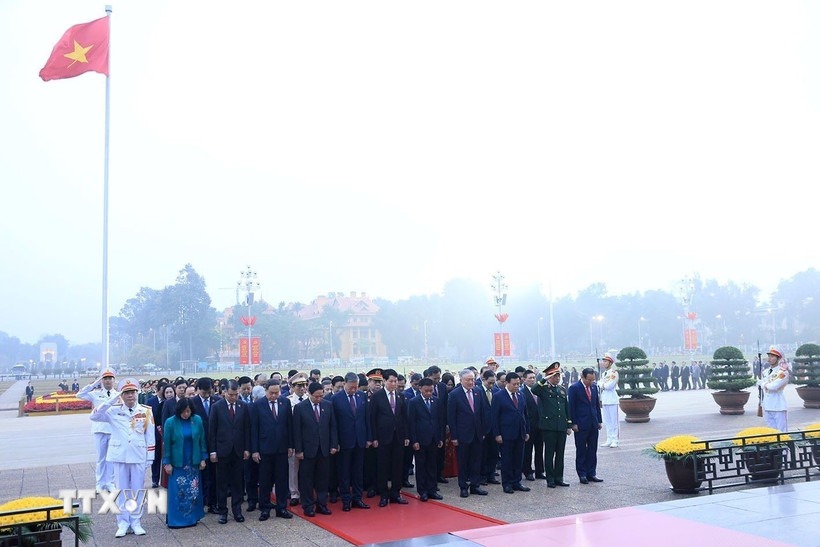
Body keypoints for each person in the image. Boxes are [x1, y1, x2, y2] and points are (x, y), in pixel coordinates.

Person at [90, 378, 156, 537]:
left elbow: (150, 435)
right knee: (121, 490)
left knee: (137, 490)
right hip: (120, 455)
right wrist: (111, 400)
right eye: (126, 393)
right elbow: (94, 416)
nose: (130, 395)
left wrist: (150, 457)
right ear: (121, 395)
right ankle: (123, 523)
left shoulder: (145, 410)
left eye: (132, 392)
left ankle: (136, 522)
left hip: (138, 455)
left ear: (137, 393)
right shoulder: (113, 410)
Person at [250, 380, 294, 521]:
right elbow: (254, 429)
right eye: (271, 393)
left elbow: (289, 425)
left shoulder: (285, 402)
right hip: (265, 449)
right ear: (266, 390)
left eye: (277, 392)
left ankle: (282, 508)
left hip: (282, 448)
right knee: (265, 481)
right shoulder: (258, 405)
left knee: (282, 480)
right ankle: (265, 508)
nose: (274, 395)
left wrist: (290, 445)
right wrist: (255, 450)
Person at [208, 380, 250, 524]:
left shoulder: (243, 406)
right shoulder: (217, 407)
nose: (234, 397)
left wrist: (247, 448)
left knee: (238, 482)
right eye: (231, 395)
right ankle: (222, 511)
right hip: (222, 450)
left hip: (238, 450)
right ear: (225, 392)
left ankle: (237, 511)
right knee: (222, 482)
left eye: (236, 394)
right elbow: (212, 430)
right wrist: (213, 451)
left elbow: (246, 429)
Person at [293, 382, 338, 516]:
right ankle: (308, 506)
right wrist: (298, 450)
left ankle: (322, 504)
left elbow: (332, 426)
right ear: (309, 394)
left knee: (323, 478)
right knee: (307, 479)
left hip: (324, 448)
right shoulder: (300, 408)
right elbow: (297, 431)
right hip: (307, 450)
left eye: (321, 396)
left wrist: (334, 445)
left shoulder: (328, 405)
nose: (319, 399)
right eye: (316, 396)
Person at [162, 397, 207, 529]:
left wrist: (203, 458)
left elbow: (202, 440)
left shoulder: (197, 420)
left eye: (188, 411)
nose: (186, 414)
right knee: (178, 491)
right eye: (183, 411)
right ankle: (176, 519)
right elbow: (167, 444)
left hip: (193, 461)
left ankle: (192, 517)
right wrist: (167, 462)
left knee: (193, 490)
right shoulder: (170, 422)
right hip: (177, 462)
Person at [369, 368, 410, 507]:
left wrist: (406, 435)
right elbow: (372, 418)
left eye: (395, 381)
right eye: (391, 381)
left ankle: (396, 493)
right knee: (383, 466)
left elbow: (404, 417)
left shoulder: (400, 396)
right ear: (385, 381)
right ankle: (383, 495)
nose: (393, 384)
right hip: (383, 437)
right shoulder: (377, 396)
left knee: (397, 465)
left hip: (398, 436)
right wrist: (374, 437)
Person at [447, 369, 490, 498]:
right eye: (468, 380)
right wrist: (454, 436)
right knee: (463, 462)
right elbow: (451, 417)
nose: (471, 382)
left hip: (477, 433)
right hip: (462, 434)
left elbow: (482, 412)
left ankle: (475, 485)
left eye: (472, 379)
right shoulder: (454, 394)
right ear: (461, 380)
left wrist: (483, 431)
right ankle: (463, 486)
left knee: (476, 460)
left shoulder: (478, 391)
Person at [332, 372, 371, 511]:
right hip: (344, 441)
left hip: (360, 440)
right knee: (344, 472)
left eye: (356, 387)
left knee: (358, 471)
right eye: (351, 387)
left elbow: (366, 418)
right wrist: (335, 442)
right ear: (345, 384)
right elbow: (334, 423)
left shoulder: (362, 396)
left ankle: (357, 498)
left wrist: (368, 437)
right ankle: (346, 499)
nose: (354, 390)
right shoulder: (336, 398)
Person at [77, 368, 118, 493]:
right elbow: (79, 395)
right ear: (101, 380)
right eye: (105, 379)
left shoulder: (118, 395)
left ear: (114, 380)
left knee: (111, 458)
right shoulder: (96, 393)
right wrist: (94, 384)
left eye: (110, 378)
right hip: (100, 428)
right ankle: (100, 483)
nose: (108, 381)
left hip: (113, 429)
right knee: (101, 458)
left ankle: (110, 482)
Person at [532, 362, 572, 488]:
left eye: (558, 376)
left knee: (560, 454)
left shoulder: (562, 389)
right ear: (549, 377)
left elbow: (566, 408)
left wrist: (568, 425)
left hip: (561, 426)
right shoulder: (543, 389)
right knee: (549, 454)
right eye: (554, 376)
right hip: (549, 426)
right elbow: (534, 389)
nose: (557, 378)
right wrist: (544, 379)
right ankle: (550, 479)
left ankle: (559, 477)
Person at [492, 372, 530, 494]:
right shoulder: (498, 396)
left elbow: (525, 414)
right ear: (507, 383)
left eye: (518, 384)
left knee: (518, 459)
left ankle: (517, 481)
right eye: (514, 384)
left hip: (520, 432)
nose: (517, 386)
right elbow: (495, 417)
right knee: (507, 460)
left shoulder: (520, 394)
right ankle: (507, 483)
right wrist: (497, 434)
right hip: (506, 433)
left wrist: (526, 431)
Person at [407, 378, 444, 501]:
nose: (429, 393)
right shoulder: (414, 402)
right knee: (421, 466)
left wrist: (440, 438)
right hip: (420, 439)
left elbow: (439, 420)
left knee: (432, 465)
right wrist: (414, 440)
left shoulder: (436, 401)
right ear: (420, 389)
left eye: (431, 391)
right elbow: (411, 422)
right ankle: (422, 491)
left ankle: (432, 489)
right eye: (426, 391)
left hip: (433, 438)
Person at [567, 368, 603, 484]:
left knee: (592, 449)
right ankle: (582, 474)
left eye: (593, 380)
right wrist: (573, 423)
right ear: (582, 377)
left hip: (593, 423)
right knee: (581, 450)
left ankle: (591, 473)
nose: (591, 382)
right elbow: (571, 407)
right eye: (589, 380)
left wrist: (599, 420)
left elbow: (596, 405)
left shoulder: (594, 387)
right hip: (581, 424)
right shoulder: (574, 388)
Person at [190, 377, 220, 514]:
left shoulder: (217, 401)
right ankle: (199, 503)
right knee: (200, 475)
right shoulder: (192, 403)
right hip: (198, 444)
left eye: (209, 392)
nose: (207, 395)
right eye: (204, 392)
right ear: (198, 390)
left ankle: (212, 503)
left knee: (214, 476)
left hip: (214, 444)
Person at [286, 372, 309, 507]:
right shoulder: (288, 401)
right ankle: (294, 493)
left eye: (304, 385)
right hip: (294, 439)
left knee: (307, 469)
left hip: (307, 439)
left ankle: (307, 492)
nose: (302, 388)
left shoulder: (309, 399)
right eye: (299, 386)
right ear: (292, 387)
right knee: (293, 468)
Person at [760, 346, 791, 432]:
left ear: (778, 358)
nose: (769, 358)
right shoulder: (765, 372)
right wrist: (765, 384)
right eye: (769, 356)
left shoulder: (783, 372)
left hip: (778, 404)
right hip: (767, 404)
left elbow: (774, 387)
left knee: (782, 431)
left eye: (772, 356)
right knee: (771, 431)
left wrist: (764, 384)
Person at [521, 370, 544, 480]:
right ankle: (527, 471)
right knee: (528, 450)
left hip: (539, 426)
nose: (532, 380)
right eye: (530, 378)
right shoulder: (522, 392)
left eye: (534, 377)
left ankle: (539, 471)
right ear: (524, 379)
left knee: (539, 449)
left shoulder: (538, 392)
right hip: (529, 426)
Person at [600, 354, 620, 448]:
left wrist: (602, 385)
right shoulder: (603, 373)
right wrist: (602, 385)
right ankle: (609, 439)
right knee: (607, 421)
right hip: (605, 399)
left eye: (606, 361)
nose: (604, 363)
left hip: (612, 399)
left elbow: (610, 385)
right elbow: (600, 384)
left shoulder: (613, 373)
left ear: (610, 363)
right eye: (603, 361)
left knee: (614, 421)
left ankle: (615, 439)